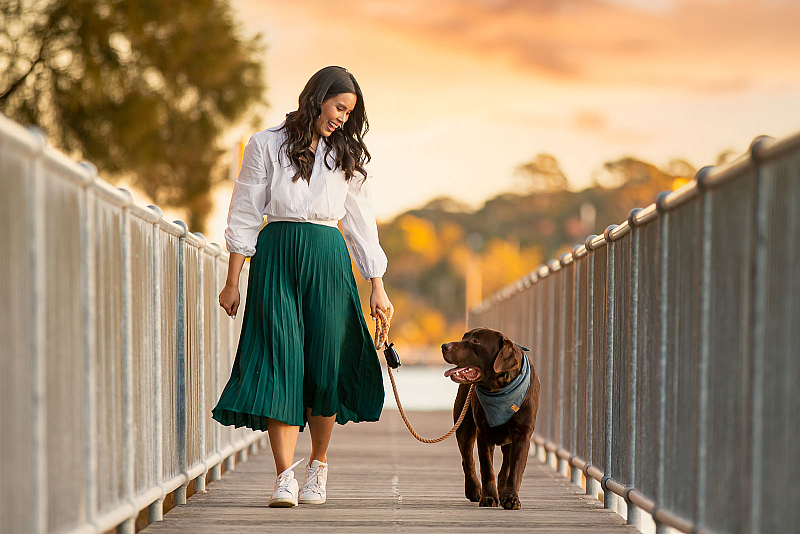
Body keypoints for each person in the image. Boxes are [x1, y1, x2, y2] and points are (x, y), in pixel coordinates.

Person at [211, 66, 393, 508]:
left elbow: (361, 223)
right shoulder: (265, 144)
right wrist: (233, 280)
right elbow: (245, 211)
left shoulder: (346, 157)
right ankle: (284, 478)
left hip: (328, 257)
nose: (342, 119)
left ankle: (318, 468)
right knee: (279, 360)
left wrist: (378, 286)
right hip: (275, 256)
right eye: (338, 108)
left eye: (349, 113)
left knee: (325, 362)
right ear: (317, 96)